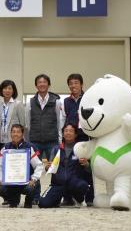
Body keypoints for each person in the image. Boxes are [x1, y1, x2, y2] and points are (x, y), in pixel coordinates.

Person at [59, 73, 94, 206]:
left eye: (76, 83)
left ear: (81, 84)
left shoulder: (88, 98)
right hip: (70, 138)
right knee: (69, 166)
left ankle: (90, 197)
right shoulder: (66, 101)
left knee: (85, 166)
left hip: (84, 137)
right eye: (71, 83)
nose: (73, 85)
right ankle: (67, 197)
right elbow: (63, 119)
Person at [39, 124, 91, 208]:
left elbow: (89, 170)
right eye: (66, 131)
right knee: (43, 203)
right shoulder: (56, 149)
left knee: (83, 186)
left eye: (71, 131)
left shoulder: (81, 149)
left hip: (74, 183)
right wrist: (47, 167)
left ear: (75, 134)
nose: (68, 133)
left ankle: (79, 199)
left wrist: (86, 164)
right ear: (63, 134)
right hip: (58, 184)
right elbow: (50, 168)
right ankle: (58, 199)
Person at [0, 124, 43, 208]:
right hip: (11, 182)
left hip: (26, 182)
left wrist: (34, 179)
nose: (15, 134)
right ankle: (13, 199)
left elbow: (39, 166)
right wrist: (0, 178)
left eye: (18, 132)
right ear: (10, 134)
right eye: (13, 132)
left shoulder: (30, 147)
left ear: (22, 134)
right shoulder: (5, 148)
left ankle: (29, 201)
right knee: (0, 190)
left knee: (31, 188)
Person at [26, 74, 62, 159]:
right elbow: (28, 123)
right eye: (39, 82)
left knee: (53, 167)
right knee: (35, 168)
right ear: (36, 85)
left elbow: (59, 122)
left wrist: (60, 140)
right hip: (35, 142)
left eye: (44, 82)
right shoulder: (30, 103)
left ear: (49, 85)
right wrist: (29, 141)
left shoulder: (56, 102)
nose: (42, 84)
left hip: (52, 141)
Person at [0, 79, 26, 150]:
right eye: (5, 88)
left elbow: (22, 124)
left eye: (9, 88)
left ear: (13, 91)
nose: (7, 91)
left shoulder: (18, 104)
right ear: (1, 90)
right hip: (1, 141)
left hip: (14, 141)